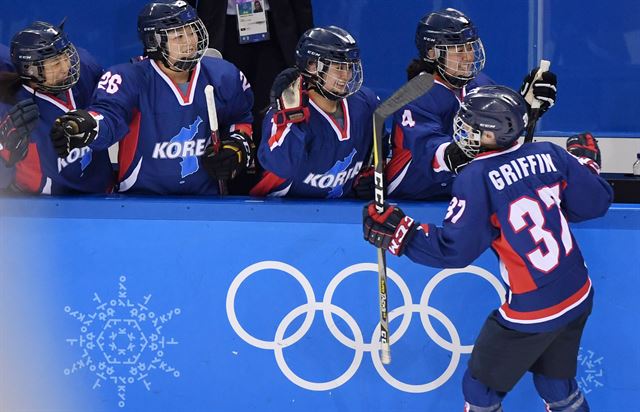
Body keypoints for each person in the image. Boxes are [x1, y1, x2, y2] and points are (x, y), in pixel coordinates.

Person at [363, 85, 612, 411]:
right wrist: (584, 166)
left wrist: (402, 233)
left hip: (532, 310)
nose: (463, 130)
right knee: (556, 384)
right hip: (578, 293)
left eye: (470, 126)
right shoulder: (550, 152)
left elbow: (455, 250)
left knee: (479, 392)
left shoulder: (477, 176)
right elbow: (594, 202)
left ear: (494, 133)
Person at [49, 0, 254, 195]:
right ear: (154, 41)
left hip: (205, 198)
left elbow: (240, 119)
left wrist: (236, 147)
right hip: (140, 201)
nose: (190, 42)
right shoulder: (129, 78)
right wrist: (89, 126)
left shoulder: (223, 74)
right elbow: (109, 116)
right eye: (178, 37)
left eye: (192, 31)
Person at [385, 8, 557, 200]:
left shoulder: (480, 83)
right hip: (414, 191)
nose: (468, 57)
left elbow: (498, 133)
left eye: (470, 47)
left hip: (456, 187)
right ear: (432, 53)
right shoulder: (415, 94)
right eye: (459, 50)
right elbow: (431, 156)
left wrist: (526, 108)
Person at [188, 0, 313, 194]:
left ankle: (268, 179)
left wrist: (306, 40)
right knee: (221, 102)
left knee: (272, 105)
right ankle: (225, 172)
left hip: (275, 27)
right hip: (219, 26)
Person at [249, 25, 377, 198]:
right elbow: (282, 166)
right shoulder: (283, 113)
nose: (345, 76)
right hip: (286, 216)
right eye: (338, 67)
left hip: (342, 215)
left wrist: (370, 173)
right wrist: (291, 117)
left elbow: (379, 150)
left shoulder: (365, 103)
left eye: (349, 67)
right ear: (311, 66)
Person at [0, 21, 113, 195]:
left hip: (102, 195)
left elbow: (114, 115)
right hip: (46, 207)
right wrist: (4, 147)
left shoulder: (87, 68)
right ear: (30, 70)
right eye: (55, 64)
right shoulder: (9, 105)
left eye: (66, 56)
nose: (66, 67)